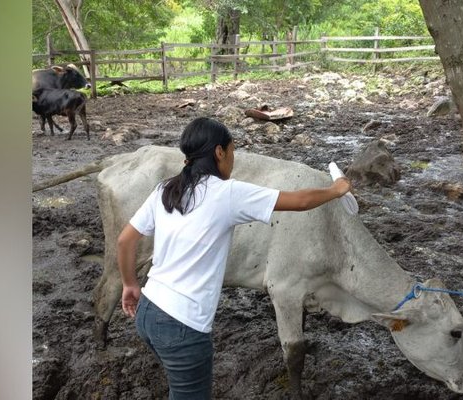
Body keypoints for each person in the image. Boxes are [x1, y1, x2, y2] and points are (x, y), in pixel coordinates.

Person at [116, 117, 351, 399]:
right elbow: (299, 201)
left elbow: (125, 240)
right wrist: (336, 189)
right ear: (219, 152)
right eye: (233, 152)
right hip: (184, 328)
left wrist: (130, 284)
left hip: (148, 313)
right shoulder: (227, 193)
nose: (233, 160)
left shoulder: (166, 190)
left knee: (180, 388)